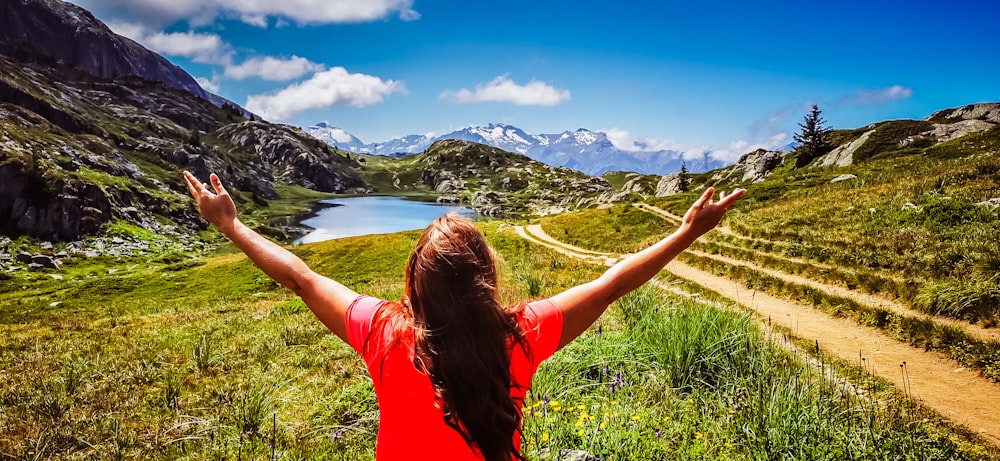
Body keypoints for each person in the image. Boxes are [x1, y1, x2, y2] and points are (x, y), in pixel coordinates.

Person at [183, 171, 745, 461]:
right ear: (486, 280)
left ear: (414, 283)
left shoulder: (382, 331)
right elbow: (610, 284)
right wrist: (688, 232)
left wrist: (230, 225)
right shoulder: (523, 334)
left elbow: (300, 277)